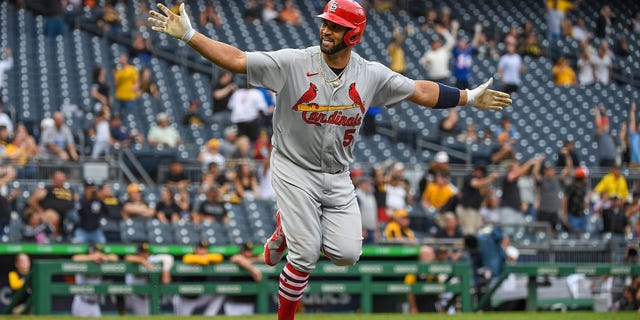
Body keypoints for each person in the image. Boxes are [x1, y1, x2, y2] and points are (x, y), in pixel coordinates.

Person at [147, 2, 510, 319]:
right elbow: (239, 60)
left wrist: (466, 97)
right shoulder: (293, 62)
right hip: (292, 167)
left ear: (353, 35)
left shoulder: (370, 74)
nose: (326, 29)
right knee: (304, 256)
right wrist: (190, 35)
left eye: (336, 26)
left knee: (347, 253)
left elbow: (419, 90)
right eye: (326, 22)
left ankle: (284, 229)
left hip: (337, 175)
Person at [174, 241, 225, 316]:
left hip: (199, 295)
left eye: (205, 249)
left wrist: (205, 259)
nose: (203, 251)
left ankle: (209, 316)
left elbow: (219, 257)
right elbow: (187, 259)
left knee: (220, 292)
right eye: (201, 249)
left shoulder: (208, 256)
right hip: (185, 297)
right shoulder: (189, 256)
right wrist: (203, 260)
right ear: (196, 249)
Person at [124, 243, 174, 315]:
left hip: (144, 296)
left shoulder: (150, 259)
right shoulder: (135, 258)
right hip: (131, 294)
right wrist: (142, 260)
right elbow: (127, 257)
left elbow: (168, 257)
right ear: (138, 253)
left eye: (146, 252)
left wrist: (165, 272)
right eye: (143, 252)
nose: (146, 254)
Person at [70, 244, 119, 317]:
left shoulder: (101, 261)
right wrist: (92, 257)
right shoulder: (84, 260)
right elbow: (75, 258)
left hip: (95, 303)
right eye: (95, 252)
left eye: (99, 252)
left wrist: (104, 257)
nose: (98, 254)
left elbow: (115, 258)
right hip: (82, 301)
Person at [27, 170, 76, 238]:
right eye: (58, 179)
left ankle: (60, 238)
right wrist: (41, 211)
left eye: (62, 179)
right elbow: (32, 200)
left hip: (67, 214)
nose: (61, 181)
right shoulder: (47, 189)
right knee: (43, 217)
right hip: (50, 212)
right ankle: (45, 239)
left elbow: (77, 200)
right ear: (53, 179)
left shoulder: (70, 190)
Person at [226, 242, 266, 315]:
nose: (249, 253)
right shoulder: (237, 257)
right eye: (246, 251)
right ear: (242, 251)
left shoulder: (253, 258)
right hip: (234, 303)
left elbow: (265, 258)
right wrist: (254, 270)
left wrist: (251, 260)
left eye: (250, 251)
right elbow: (237, 259)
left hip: (248, 303)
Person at [73, 179, 108, 244]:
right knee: (77, 245)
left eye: (92, 187)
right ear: (84, 188)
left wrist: (102, 199)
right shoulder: (80, 200)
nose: (90, 189)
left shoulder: (98, 200)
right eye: (88, 188)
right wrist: (80, 200)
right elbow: (78, 213)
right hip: (82, 230)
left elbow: (107, 212)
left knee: (103, 245)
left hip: (96, 231)